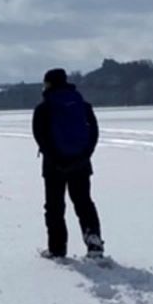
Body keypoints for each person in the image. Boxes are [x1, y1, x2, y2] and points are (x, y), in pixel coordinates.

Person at [33, 67, 104, 258]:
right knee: (84, 203)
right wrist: (85, 156)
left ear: (48, 84)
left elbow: (40, 137)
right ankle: (94, 243)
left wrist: (55, 159)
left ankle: (57, 249)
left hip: (53, 166)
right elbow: (94, 133)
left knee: (55, 207)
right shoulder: (83, 105)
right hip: (80, 163)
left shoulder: (43, 108)